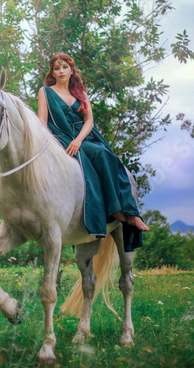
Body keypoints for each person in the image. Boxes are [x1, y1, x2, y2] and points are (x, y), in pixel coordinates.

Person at [37, 52, 149, 252]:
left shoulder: (81, 94)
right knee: (94, 157)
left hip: (83, 138)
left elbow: (89, 121)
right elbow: (42, 123)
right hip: (60, 138)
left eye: (64, 67)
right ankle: (111, 212)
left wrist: (79, 140)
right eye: (56, 68)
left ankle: (127, 212)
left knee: (105, 155)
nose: (61, 71)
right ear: (52, 72)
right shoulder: (45, 92)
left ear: (72, 70)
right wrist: (48, 146)